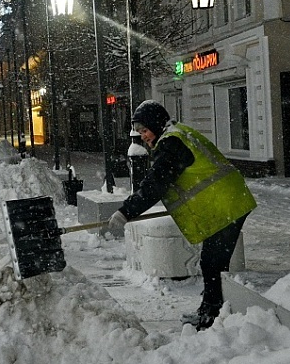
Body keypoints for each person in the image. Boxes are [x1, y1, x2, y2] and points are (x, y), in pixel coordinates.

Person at [107, 100, 256, 330]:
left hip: (226, 203)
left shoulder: (171, 144)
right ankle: (214, 312)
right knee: (213, 262)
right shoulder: (175, 135)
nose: (143, 136)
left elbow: (155, 184)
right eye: (138, 132)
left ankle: (213, 317)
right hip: (226, 201)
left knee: (212, 262)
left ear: (155, 125)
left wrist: (127, 211)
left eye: (144, 130)